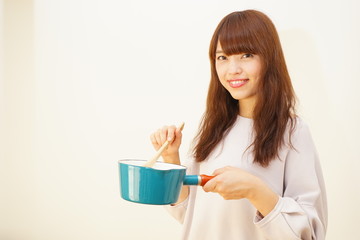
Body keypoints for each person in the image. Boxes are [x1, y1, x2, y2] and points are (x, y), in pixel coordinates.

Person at [150, 10, 327, 240]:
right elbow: (189, 214)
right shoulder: (214, 126)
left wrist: (254, 189)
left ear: (269, 58)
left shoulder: (293, 132)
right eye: (222, 57)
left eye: (246, 55)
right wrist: (171, 158)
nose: (232, 69)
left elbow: (309, 233)